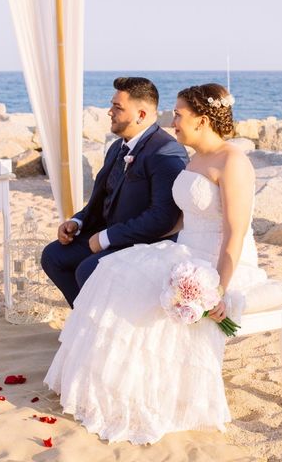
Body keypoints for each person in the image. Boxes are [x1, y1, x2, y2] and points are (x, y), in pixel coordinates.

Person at [44, 83, 268, 444]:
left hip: (220, 260)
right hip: (185, 250)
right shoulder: (193, 157)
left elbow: (234, 235)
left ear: (203, 120)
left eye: (179, 115)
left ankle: (137, 384)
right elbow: (184, 217)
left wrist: (218, 287)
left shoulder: (233, 162)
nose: (172, 121)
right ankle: (110, 376)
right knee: (113, 273)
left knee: (129, 284)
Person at [40, 77, 189, 308]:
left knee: (88, 270)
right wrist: (78, 221)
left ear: (141, 115)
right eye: (112, 105)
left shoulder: (165, 151)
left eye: (117, 107)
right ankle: (85, 322)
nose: (109, 112)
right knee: (54, 256)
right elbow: (103, 198)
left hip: (146, 242)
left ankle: (96, 326)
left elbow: (162, 218)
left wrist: (106, 238)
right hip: (109, 233)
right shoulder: (116, 148)